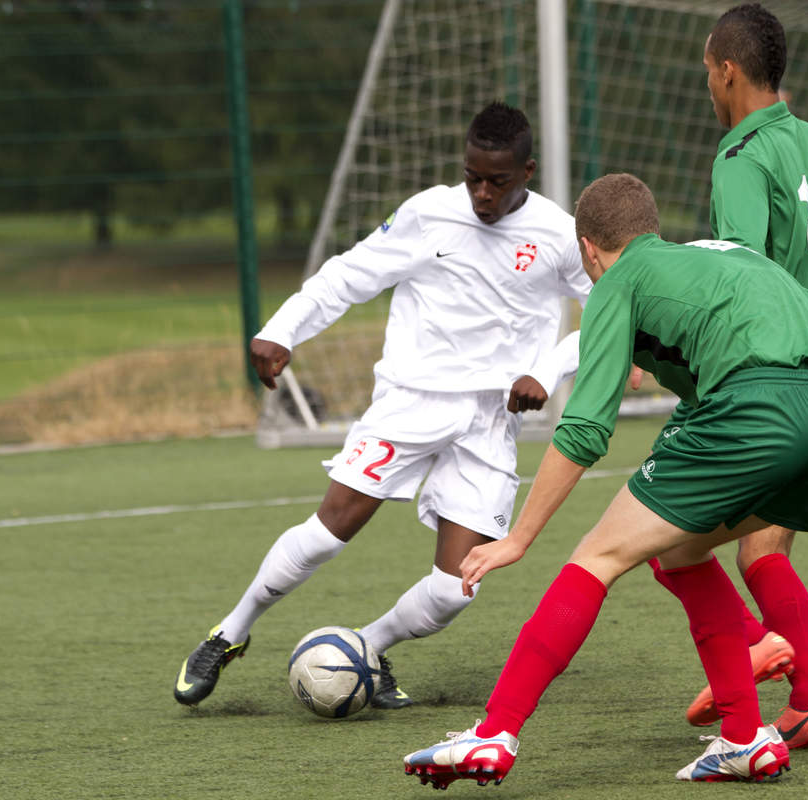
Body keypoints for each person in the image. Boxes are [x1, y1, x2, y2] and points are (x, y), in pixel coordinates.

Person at [402, 173, 808, 787]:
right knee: (683, 552)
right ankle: (745, 738)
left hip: (754, 413)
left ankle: (495, 733)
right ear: (652, 228)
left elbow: (584, 428)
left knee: (596, 558)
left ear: (589, 250)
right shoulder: (731, 259)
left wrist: (518, 539)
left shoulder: (620, 279)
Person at [172, 102, 591, 709]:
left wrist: (546, 370)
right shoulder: (428, 215)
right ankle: (229, 631)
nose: (481, 192)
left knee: (455, 590)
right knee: (327, 532)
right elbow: (350, 275)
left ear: (527, 170)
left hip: (488, 422)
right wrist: (283, 328)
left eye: (497, 180)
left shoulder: (558, 233)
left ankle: (366, 648)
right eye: (472, 176)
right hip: (410, 400)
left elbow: (611, 309)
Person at [644, 3, 808, 746]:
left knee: (665, 540)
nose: (705, 89)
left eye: (704, 74)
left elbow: (738, 270)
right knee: (762, 548)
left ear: (726, 70)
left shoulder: (741, 156)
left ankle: (755, 650)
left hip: (766, 374)